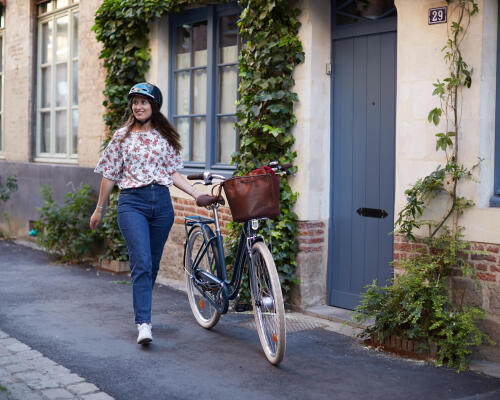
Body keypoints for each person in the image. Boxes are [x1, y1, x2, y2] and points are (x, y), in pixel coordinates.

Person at [90, 82, 206, 345]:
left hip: (162, 205)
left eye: (143, 102)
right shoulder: (122, 136)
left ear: (153, 106)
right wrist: (99, 208)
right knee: (141, 262)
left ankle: (143, 305)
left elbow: (172, 173)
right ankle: (144, 323)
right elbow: (110, 174)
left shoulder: (164, 138)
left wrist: (196, 193)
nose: (138, 106)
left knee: (150, 265)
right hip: (132, 203)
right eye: (135, 102)